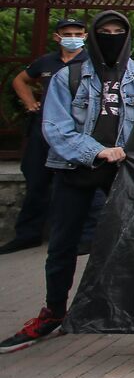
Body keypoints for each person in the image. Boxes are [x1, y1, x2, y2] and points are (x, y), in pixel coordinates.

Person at [1, 12, 134, 353]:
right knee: (62, 245)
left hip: (124, 170)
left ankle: (116, 307)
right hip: (75, 168)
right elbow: (54, 127)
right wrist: (99, 151)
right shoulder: (68, 75)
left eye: (118, 32)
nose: (111, 37)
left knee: (132, 240)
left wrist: (127, 151)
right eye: (105, 32)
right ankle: (53, 311)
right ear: (93, 36)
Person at [1, 18, 94, 255]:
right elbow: (20, 80)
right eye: (67, 33)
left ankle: (86, 238)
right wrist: (31, 103)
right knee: (36, 180)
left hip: (76, 131)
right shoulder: (46, 62)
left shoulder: (92, 63)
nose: (72, 37)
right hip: (44, 129)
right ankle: (28, 234)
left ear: (85, 36)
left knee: (84, 183)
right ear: (57, 37)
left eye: (77, 33)